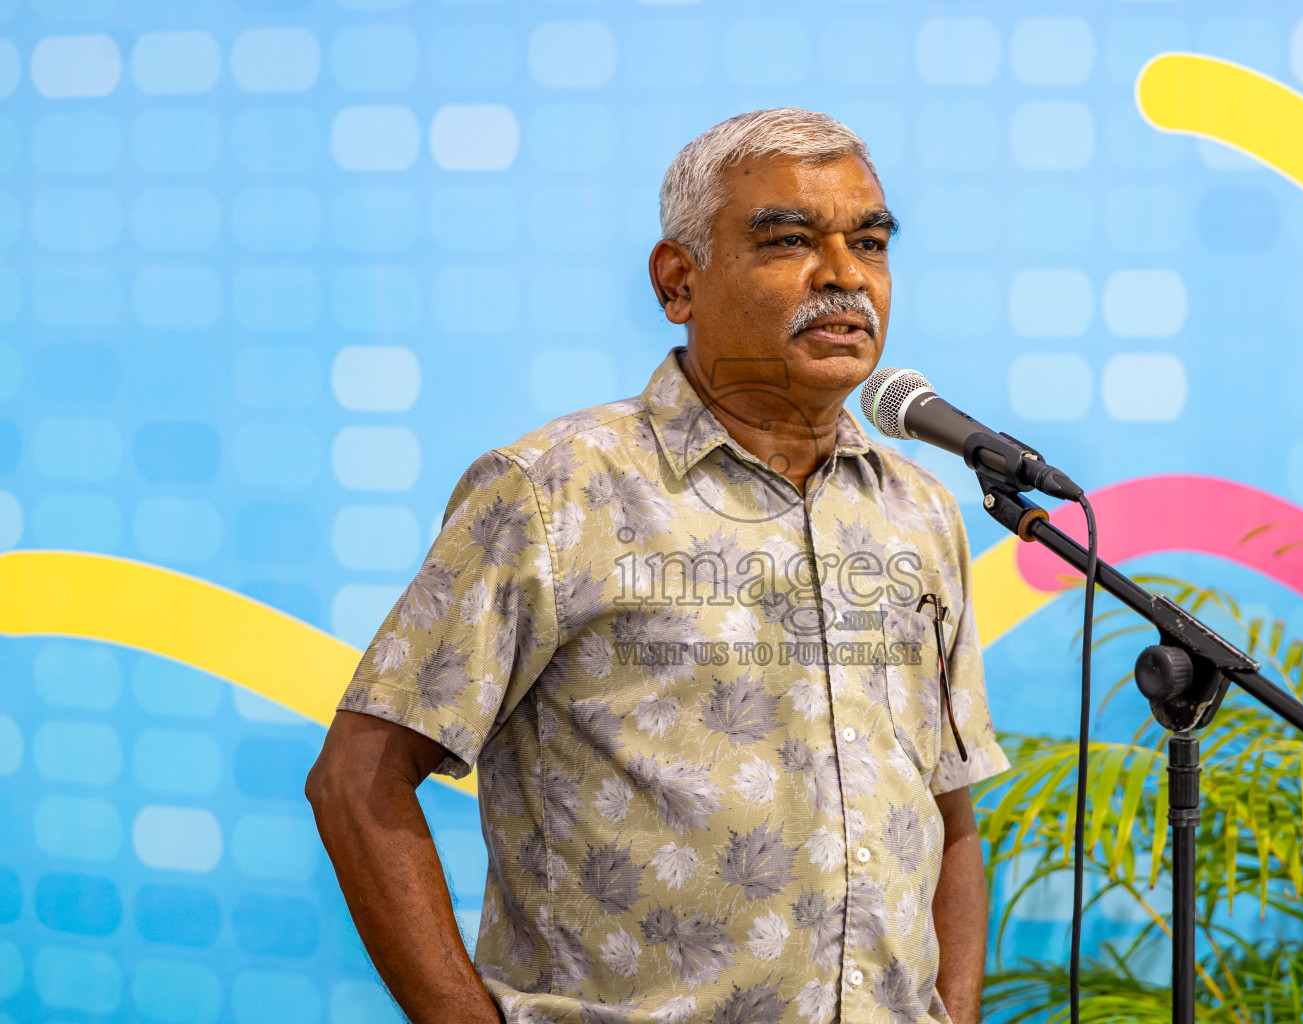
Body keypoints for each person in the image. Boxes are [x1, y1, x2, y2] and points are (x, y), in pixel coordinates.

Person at [306, 108, 1009, 1024]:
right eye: (790, 240)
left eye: (869, 243)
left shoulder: (919, 507)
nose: (845, 276)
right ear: (679, 281)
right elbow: (356, 782)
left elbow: (946, 811)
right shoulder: (553, 491)